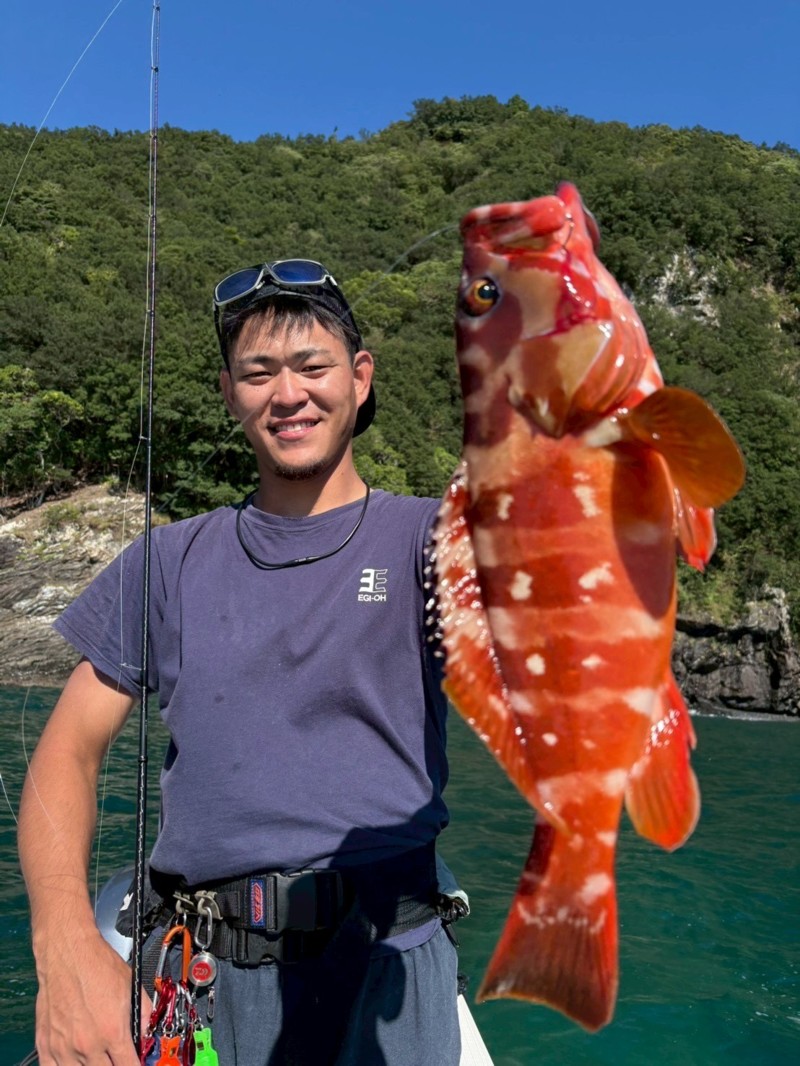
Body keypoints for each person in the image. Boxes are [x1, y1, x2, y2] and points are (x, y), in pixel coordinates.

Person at [18, 260, 462, 1065]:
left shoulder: (438, 540)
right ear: (229, 393)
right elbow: (67, 752)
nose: (287, 394)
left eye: (313, 366)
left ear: (361, 380)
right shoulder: (168, 561)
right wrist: (64, 946)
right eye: (259, 373)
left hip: (388, 969)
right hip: (196, 978)